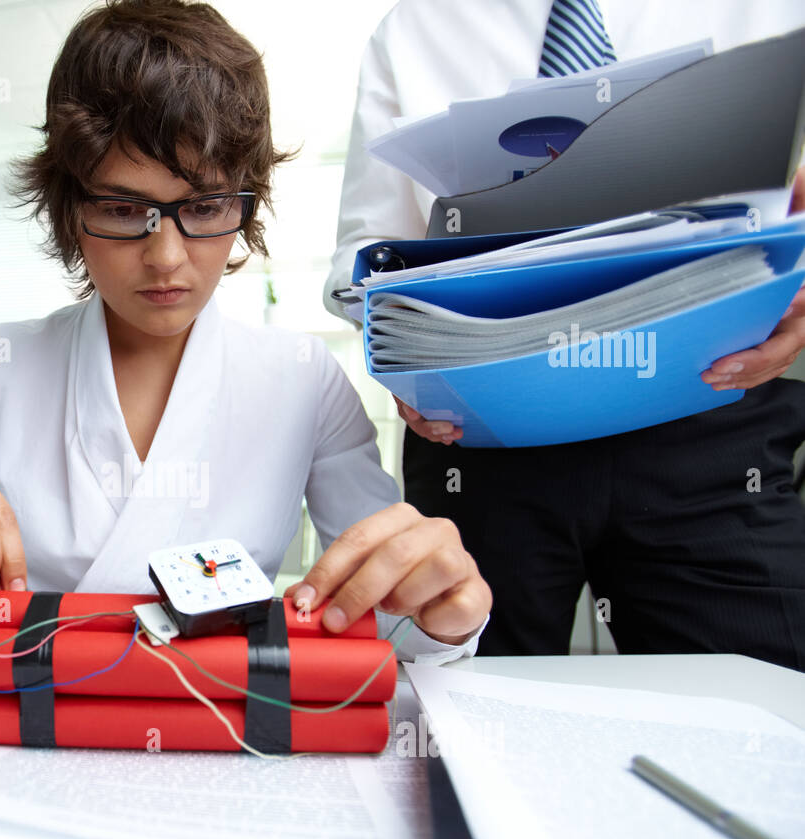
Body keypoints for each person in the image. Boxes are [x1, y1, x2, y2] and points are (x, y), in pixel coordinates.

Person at [0, 0, 491, 662]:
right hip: (28, 738)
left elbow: (392, 626)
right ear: (70, 209)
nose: (166, 256)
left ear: (243, 202)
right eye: (125, 207)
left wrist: (444, 616)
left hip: (219, 734)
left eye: (205, 204)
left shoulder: (306, 382)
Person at [325, 0, 805, 670]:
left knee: (771, 708)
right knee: (464, 710)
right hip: (486, 438)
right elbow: (364, 258)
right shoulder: (412, 28)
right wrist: (404, 355)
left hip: (711, 411)